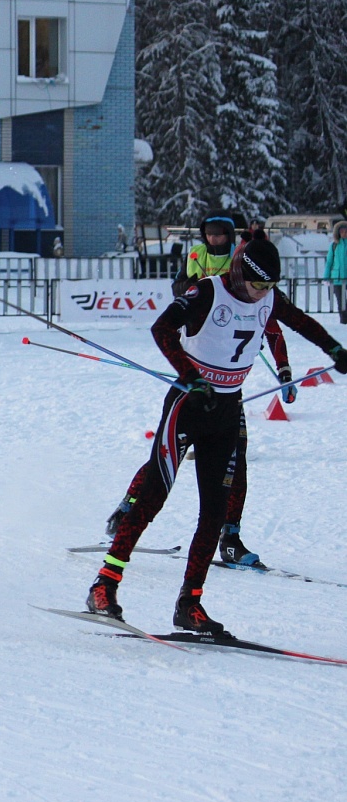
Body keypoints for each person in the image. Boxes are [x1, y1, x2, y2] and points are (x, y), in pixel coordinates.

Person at [86, 239, 347, 634]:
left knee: (214, 512)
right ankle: (105, 583)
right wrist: (191, 377)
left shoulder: (268, 297)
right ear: (242, 272)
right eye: (258, 285)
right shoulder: (208, 291)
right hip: (188, 404)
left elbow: (300, 321)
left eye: (269, 287)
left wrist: (334, 348)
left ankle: (190, 603)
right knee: (154, 495)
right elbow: (162, 329)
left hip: (226, 411)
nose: (263, 294)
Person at [107, 223, 291, 568]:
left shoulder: (256, 280)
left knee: (237, 467)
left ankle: (231, 538)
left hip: (229, 394)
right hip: (195, 382)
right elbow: (181, 294)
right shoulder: (204, 261)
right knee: (166, 460)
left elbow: (274, 326)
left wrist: (284, 369)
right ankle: (127, 510)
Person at [174, 215, 237, 297]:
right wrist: (186, 286)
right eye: (208, 234)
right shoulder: (195, 253)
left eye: (217, 235)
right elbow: (176, 287)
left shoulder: (238, 255)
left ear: (229, 234)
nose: (212, 239)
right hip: (198, 306)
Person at [327, 220, 347, 325]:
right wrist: (326, 277)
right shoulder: (334, 245)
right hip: (337, 278)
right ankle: (343, 321)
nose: (344, 233)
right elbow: (329, 262)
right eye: (342, 231)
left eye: (346, 231)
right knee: (341, 302)